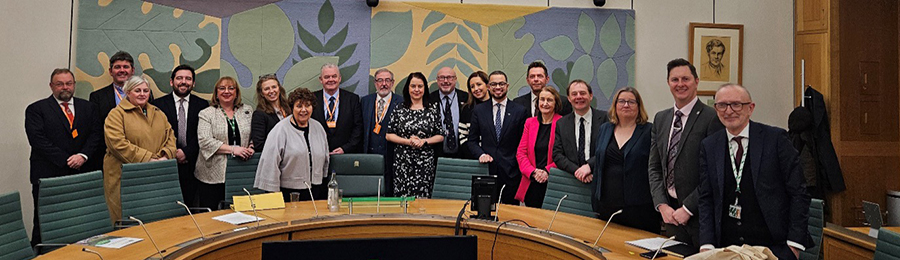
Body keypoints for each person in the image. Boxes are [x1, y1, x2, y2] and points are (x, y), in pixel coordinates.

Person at [697, 84, 813, 260]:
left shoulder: (776, 139)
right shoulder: (710, 145)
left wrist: (794, 245)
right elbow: (706, 197)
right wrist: (707, 244)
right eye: (722, 105)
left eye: (736, 104)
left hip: (774, 247)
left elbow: (798, 192)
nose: (729, 111)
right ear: (716, 109)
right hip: (727, 249)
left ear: (750, 108)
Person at [648, 58, 723, 248]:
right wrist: (662, 205)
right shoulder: (661, 118)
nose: (680, 84)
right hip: (671, 215)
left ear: (696, 81)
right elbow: (655, 167)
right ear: (668, 83)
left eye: (685, 79)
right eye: (675, 80)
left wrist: (688, 208)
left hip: (701, 216)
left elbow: (715, 172)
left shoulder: (712, 118)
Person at [25, 68, 103, 245]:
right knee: (44, 222)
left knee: (79, 219)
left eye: (68, 83)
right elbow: (38, 140)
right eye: (59, 84)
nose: (65, 87)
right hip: (48, 174)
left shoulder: (89, 107)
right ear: (51, 86)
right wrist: (66, 160)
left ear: (74, 85)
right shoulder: (36, 109)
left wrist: (82, 156)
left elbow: (96, 135)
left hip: (81, 172)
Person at [103, 75, 177, 222]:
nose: (142, 94)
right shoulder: (116, 114)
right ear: (128, 92)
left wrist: (164, 157)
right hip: (124, 175)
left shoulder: (158, 113)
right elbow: (117, 144)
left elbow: (171, 137)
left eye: (145, 90)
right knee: (125, 218)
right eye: (137, 90)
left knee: (152, 215)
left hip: (154, 174)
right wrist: (148, 159)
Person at [591, 87, 659, 233]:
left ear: (638, 106)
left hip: (639, 207)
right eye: (621, 101)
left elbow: (655, 167)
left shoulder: (649, 130)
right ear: (615, 105)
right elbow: (599, 164)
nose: (626, 105)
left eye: (631, 102)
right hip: (607, 204)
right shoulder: (605, 129)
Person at [255, 88, 330, 202]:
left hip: (316, 190)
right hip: (289, 193)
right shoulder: (280, 130)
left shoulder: (318, 128)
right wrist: (273, 195)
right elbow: (270, 163)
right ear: (292, 108)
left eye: (308, 106)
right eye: (299, 106)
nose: (303, 110)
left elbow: (325, 157)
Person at [150, 64, 209, 207]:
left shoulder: (202, 104)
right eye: (179, 78)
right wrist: (174, 153)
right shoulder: (157, 105)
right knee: (168, 206)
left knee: (190, 205)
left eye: (188, 79)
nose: (184, 82)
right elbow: (155, 134)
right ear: (172, 82)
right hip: (167, 162)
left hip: (193, 164)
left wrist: (186, 152)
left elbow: (203, 134)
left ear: (193, 83)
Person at [468, 71, 528, 204]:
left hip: (511, 173)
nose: (498, 87)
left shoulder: (520, 110)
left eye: (501, 83)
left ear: (507, 86)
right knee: (484, 216)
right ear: (489, 87)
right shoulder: (479, 110)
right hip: (486, 171)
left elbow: (523, 144)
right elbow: (471, 141)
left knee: (509, 215)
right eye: (494, 84)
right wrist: (481, 154)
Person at [195, 77, 254, 209]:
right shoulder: (207, 113)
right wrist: (233, 149)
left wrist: (251, 146)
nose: (226, 91)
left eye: (231, 88)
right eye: (222, 88)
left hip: (241, 169)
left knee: (241, 211)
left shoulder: (247, 110)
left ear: (237, 92)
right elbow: (205, 141)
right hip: (212, 173)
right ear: (216, 93)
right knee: (214, 214)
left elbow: (256, 133)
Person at [386, 72, 445, 198]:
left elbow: (440, 135)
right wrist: (408, 142)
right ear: (408, 88)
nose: (416, 90)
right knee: (403, 201)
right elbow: (389, 135)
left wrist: (424, 141)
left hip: (425, 163)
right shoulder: (399, 108)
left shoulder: (433, 109)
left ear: (425, 88)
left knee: (423, 200)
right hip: (402, 162)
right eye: (413, 86)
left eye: (420, 86)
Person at [90, 51, 139, 173]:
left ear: (132, 70)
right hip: (109, 154)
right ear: (110, 71)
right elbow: (96, 129)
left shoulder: (143, 94)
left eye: (126, 67)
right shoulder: (97, 97)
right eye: (117, 67)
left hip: (137, 155)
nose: (122, 70)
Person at [552, 80, 609, 183]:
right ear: (569, 98)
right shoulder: (561, 123)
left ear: (591, 96)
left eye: (582, 93)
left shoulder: (606, 119)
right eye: (574, 94)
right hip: (572, 180)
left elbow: (609, 148)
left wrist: (590, 166)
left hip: (601, 180)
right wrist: (578, 171)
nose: (578, 97)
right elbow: (557, 155)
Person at [514, 87, 562, 207]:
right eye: (542, 99)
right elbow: (521, 153)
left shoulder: (563, 123)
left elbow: (564, 154)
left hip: (553, 181)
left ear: (555, 103)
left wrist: (547, 171)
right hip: (532, 181)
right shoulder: (530, 123)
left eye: (549, 100)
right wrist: (534, 172)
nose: (545, 103)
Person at [361, 68, 403, 196]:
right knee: (370, 189)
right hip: (369, 154)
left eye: (387, 80)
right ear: (375, 83)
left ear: (392, 82)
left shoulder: (401, 102)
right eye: (380, 80)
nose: (383, 84)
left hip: (392, 154)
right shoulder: (365, 101)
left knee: (390, 189)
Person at [311, 63, 363, 155]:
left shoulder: (352, 99)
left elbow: (358, 127)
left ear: (339, 78)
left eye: (334, 76)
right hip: (317, 152)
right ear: (321, 80)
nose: (331, 80)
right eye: (327, 77)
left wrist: (345, 148)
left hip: (345, 154)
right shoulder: (311, 99)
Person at [429, 67, 468, 159]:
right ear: (437, 80)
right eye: (442, 77)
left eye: (449, 77)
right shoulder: (429, 99)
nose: (445, 81)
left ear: (455, 79)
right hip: (436, 154)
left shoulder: (466, 98)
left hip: (462, 154)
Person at [250, 74, 290, 151]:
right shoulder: (259, 114)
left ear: (279, 88)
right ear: (262, 93)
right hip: (275, 159)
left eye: (274, 87)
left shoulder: (289, 109)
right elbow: (259, 144)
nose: (271, 91)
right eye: (267, 89)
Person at [458, 71, 490, 159]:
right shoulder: (466, 109)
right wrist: (478, 154)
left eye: (479, 84)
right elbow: (462, 137)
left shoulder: (497, 106)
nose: (476, 89)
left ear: (487, 85)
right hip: (474, 159)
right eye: (472, 87)